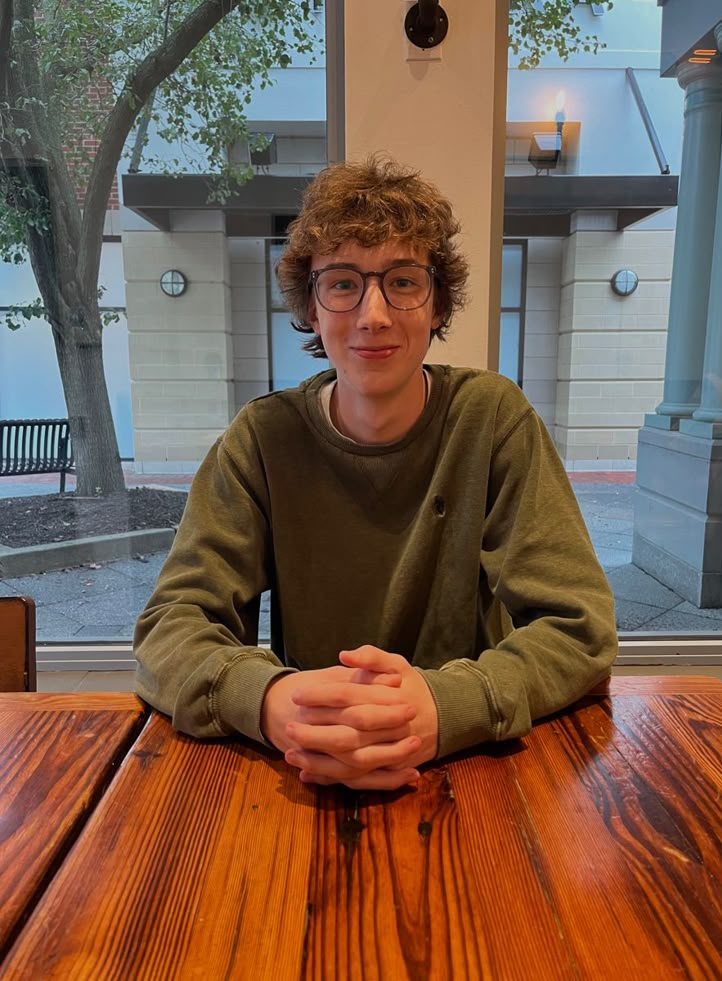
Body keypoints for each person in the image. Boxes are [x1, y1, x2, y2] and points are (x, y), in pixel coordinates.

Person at [134, 156, 617, 791]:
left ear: (439, 302)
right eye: (342, 283)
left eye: (403, 281)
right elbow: (171, 627)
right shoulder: (262, 438)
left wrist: (446, 707)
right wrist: (276, 701)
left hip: (467, 764)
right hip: (305, 757)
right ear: (310, 305)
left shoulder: (492, 419)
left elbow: (579, 629)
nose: (374, 315)